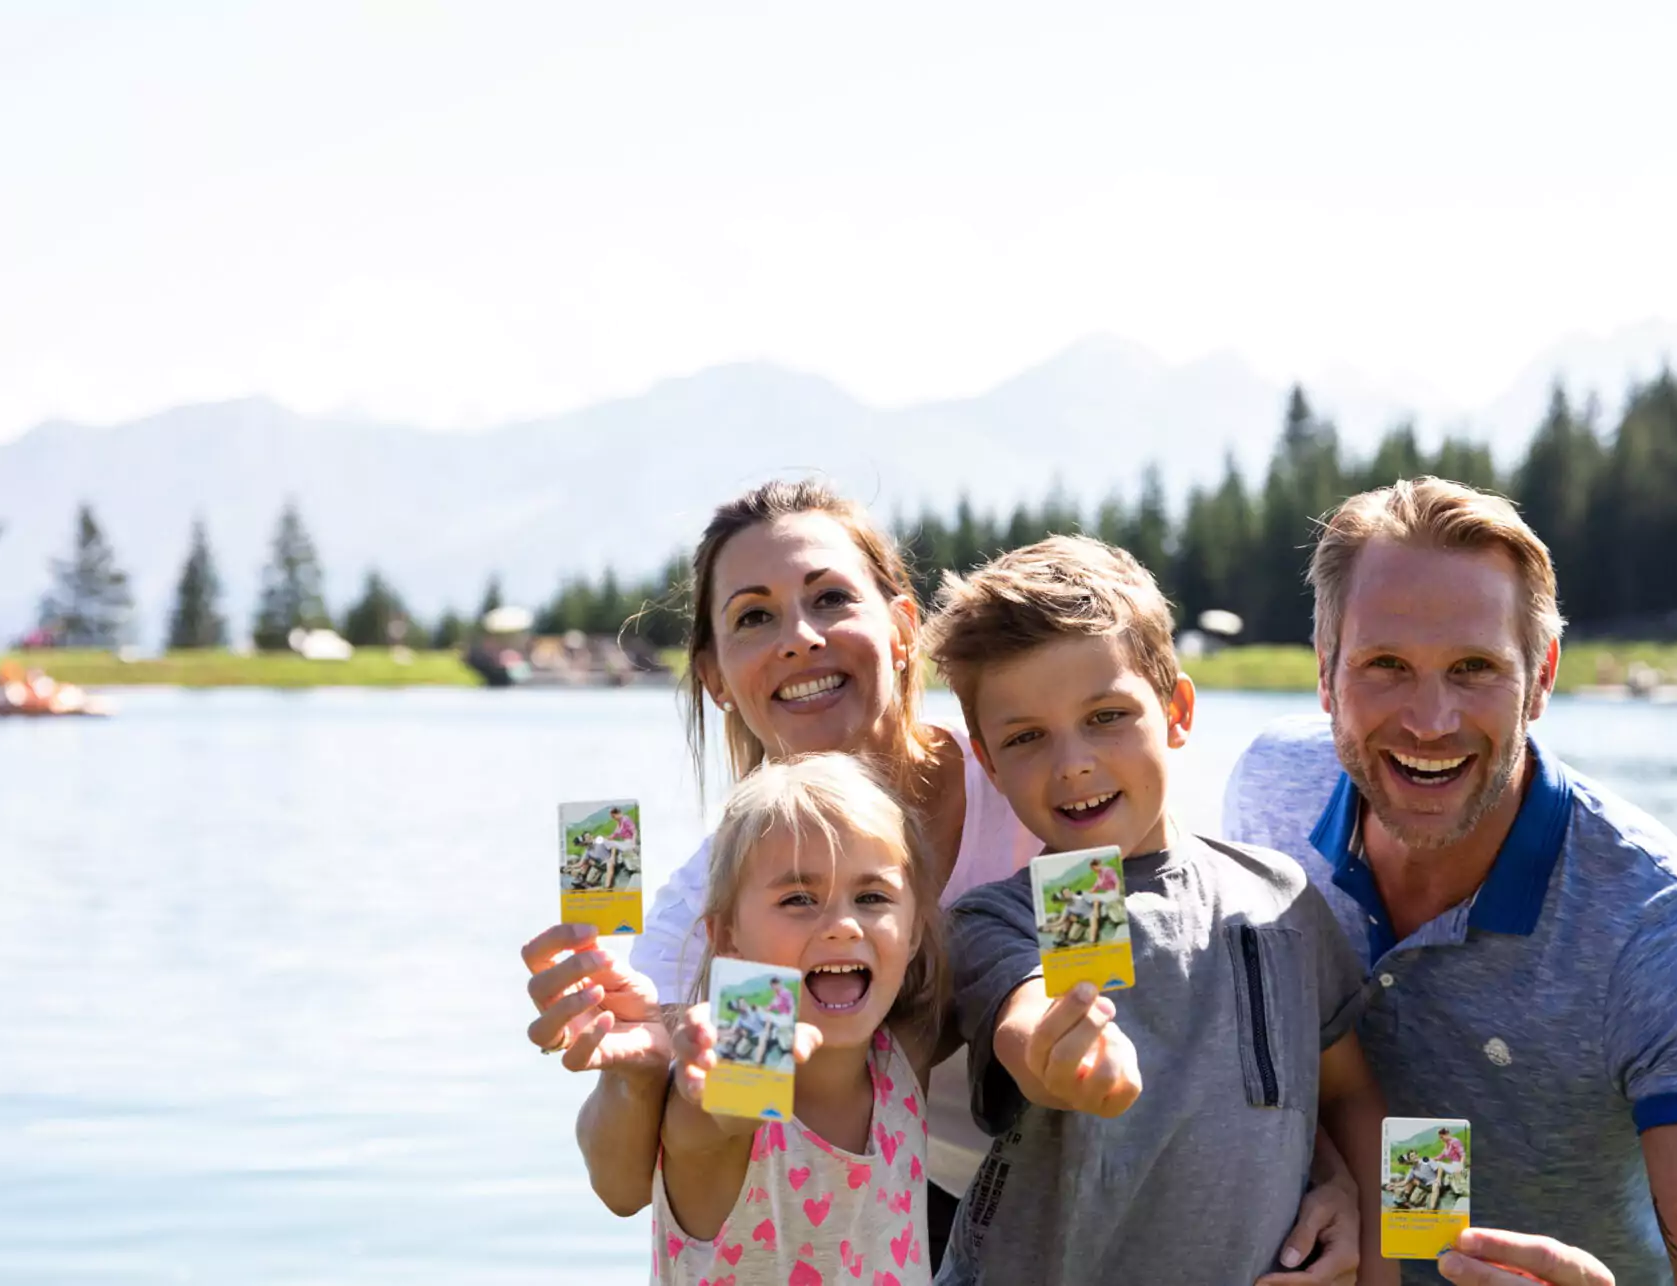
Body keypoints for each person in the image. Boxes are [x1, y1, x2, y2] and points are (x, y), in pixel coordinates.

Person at [1222, 478, 1677, 1286]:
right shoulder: (1270, 789)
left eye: (1474, 669)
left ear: (1542, 676)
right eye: (1385, 665)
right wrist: (1329, 1172)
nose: (1430, 720)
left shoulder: (1667, 931)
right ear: (1325, 672)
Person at [517, 479, 1040, 1266]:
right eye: (754, 616)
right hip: (898, 1210)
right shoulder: (712, 901)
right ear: (716, 679)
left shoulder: (1027, 783)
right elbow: (630, 1180)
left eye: (830, 598)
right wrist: (635, 1063)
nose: (798, 637)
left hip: (1059, 1188)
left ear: (903, 630)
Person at [921, 535, 1395, 1286]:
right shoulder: (1002, 919)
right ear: (987, 762)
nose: (1072, 760)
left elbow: (1348, 1093)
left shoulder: (1281, 897)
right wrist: (1059, 1053)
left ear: (1176, 711)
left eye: (1106, 716)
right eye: (1026, 737)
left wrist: (1382, 1264)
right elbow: (1028, 1024)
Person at [640, 753, 942, 1285]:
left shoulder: (903, 1062)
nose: (843, 925)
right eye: (799, 899)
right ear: (727, 937)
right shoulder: (726, 1094)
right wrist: (719, 1072)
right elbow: (724, 1115)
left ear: (914, 930)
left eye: (871, 897)